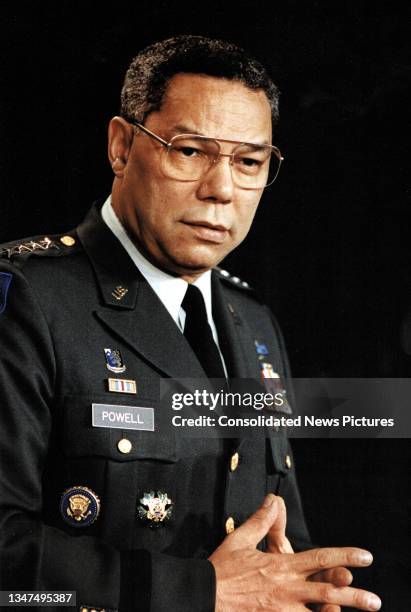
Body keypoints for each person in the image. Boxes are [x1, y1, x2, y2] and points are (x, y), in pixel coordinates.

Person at [0, 35, 381, 611]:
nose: (221, 190)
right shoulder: (27, 297)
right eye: (191, 152)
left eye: (249, 162)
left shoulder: (254, 324)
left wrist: (303, 590)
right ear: (122, 146)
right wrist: (196, 592)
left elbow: (276, 531)